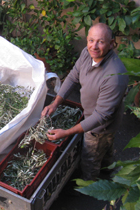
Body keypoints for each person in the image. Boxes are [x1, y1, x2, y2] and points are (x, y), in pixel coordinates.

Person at [42, 23, 129, 181]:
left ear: (111, 44)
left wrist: (67, 132)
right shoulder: (87, 54)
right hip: (94, 115)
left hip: (100, 126)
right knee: (105, 148)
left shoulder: (114, 76)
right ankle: (108, 168)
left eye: (100, 42)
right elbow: (73, 76)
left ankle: (89, 186)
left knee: (90, 156)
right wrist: (55, 103)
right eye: (91, 40)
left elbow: (100, 117)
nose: (94, 46)